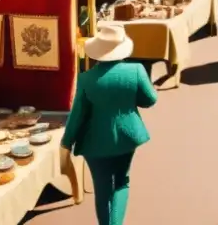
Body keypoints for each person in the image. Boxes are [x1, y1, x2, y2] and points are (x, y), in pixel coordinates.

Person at [62, 25, 157, 225]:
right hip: (126, 136)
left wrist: (66, 143)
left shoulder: (86, 79)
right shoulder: (136, 70)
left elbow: (78, 115)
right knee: (122, 181)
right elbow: (150, 100)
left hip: (94, 143)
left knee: (102, 188)